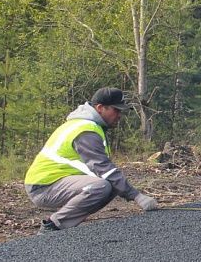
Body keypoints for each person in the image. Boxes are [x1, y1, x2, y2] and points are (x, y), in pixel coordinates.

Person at [24, 87, 158, 234]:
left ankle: (64, 228)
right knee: (101, 186)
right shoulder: (85, 130)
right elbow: (104, 169)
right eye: (116, 110)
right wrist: (137, 196)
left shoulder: (89, 126)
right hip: (43, 186)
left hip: (57, 181)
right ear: (100, 108)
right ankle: (52, 226)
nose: (119, 115)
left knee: (113, 184)